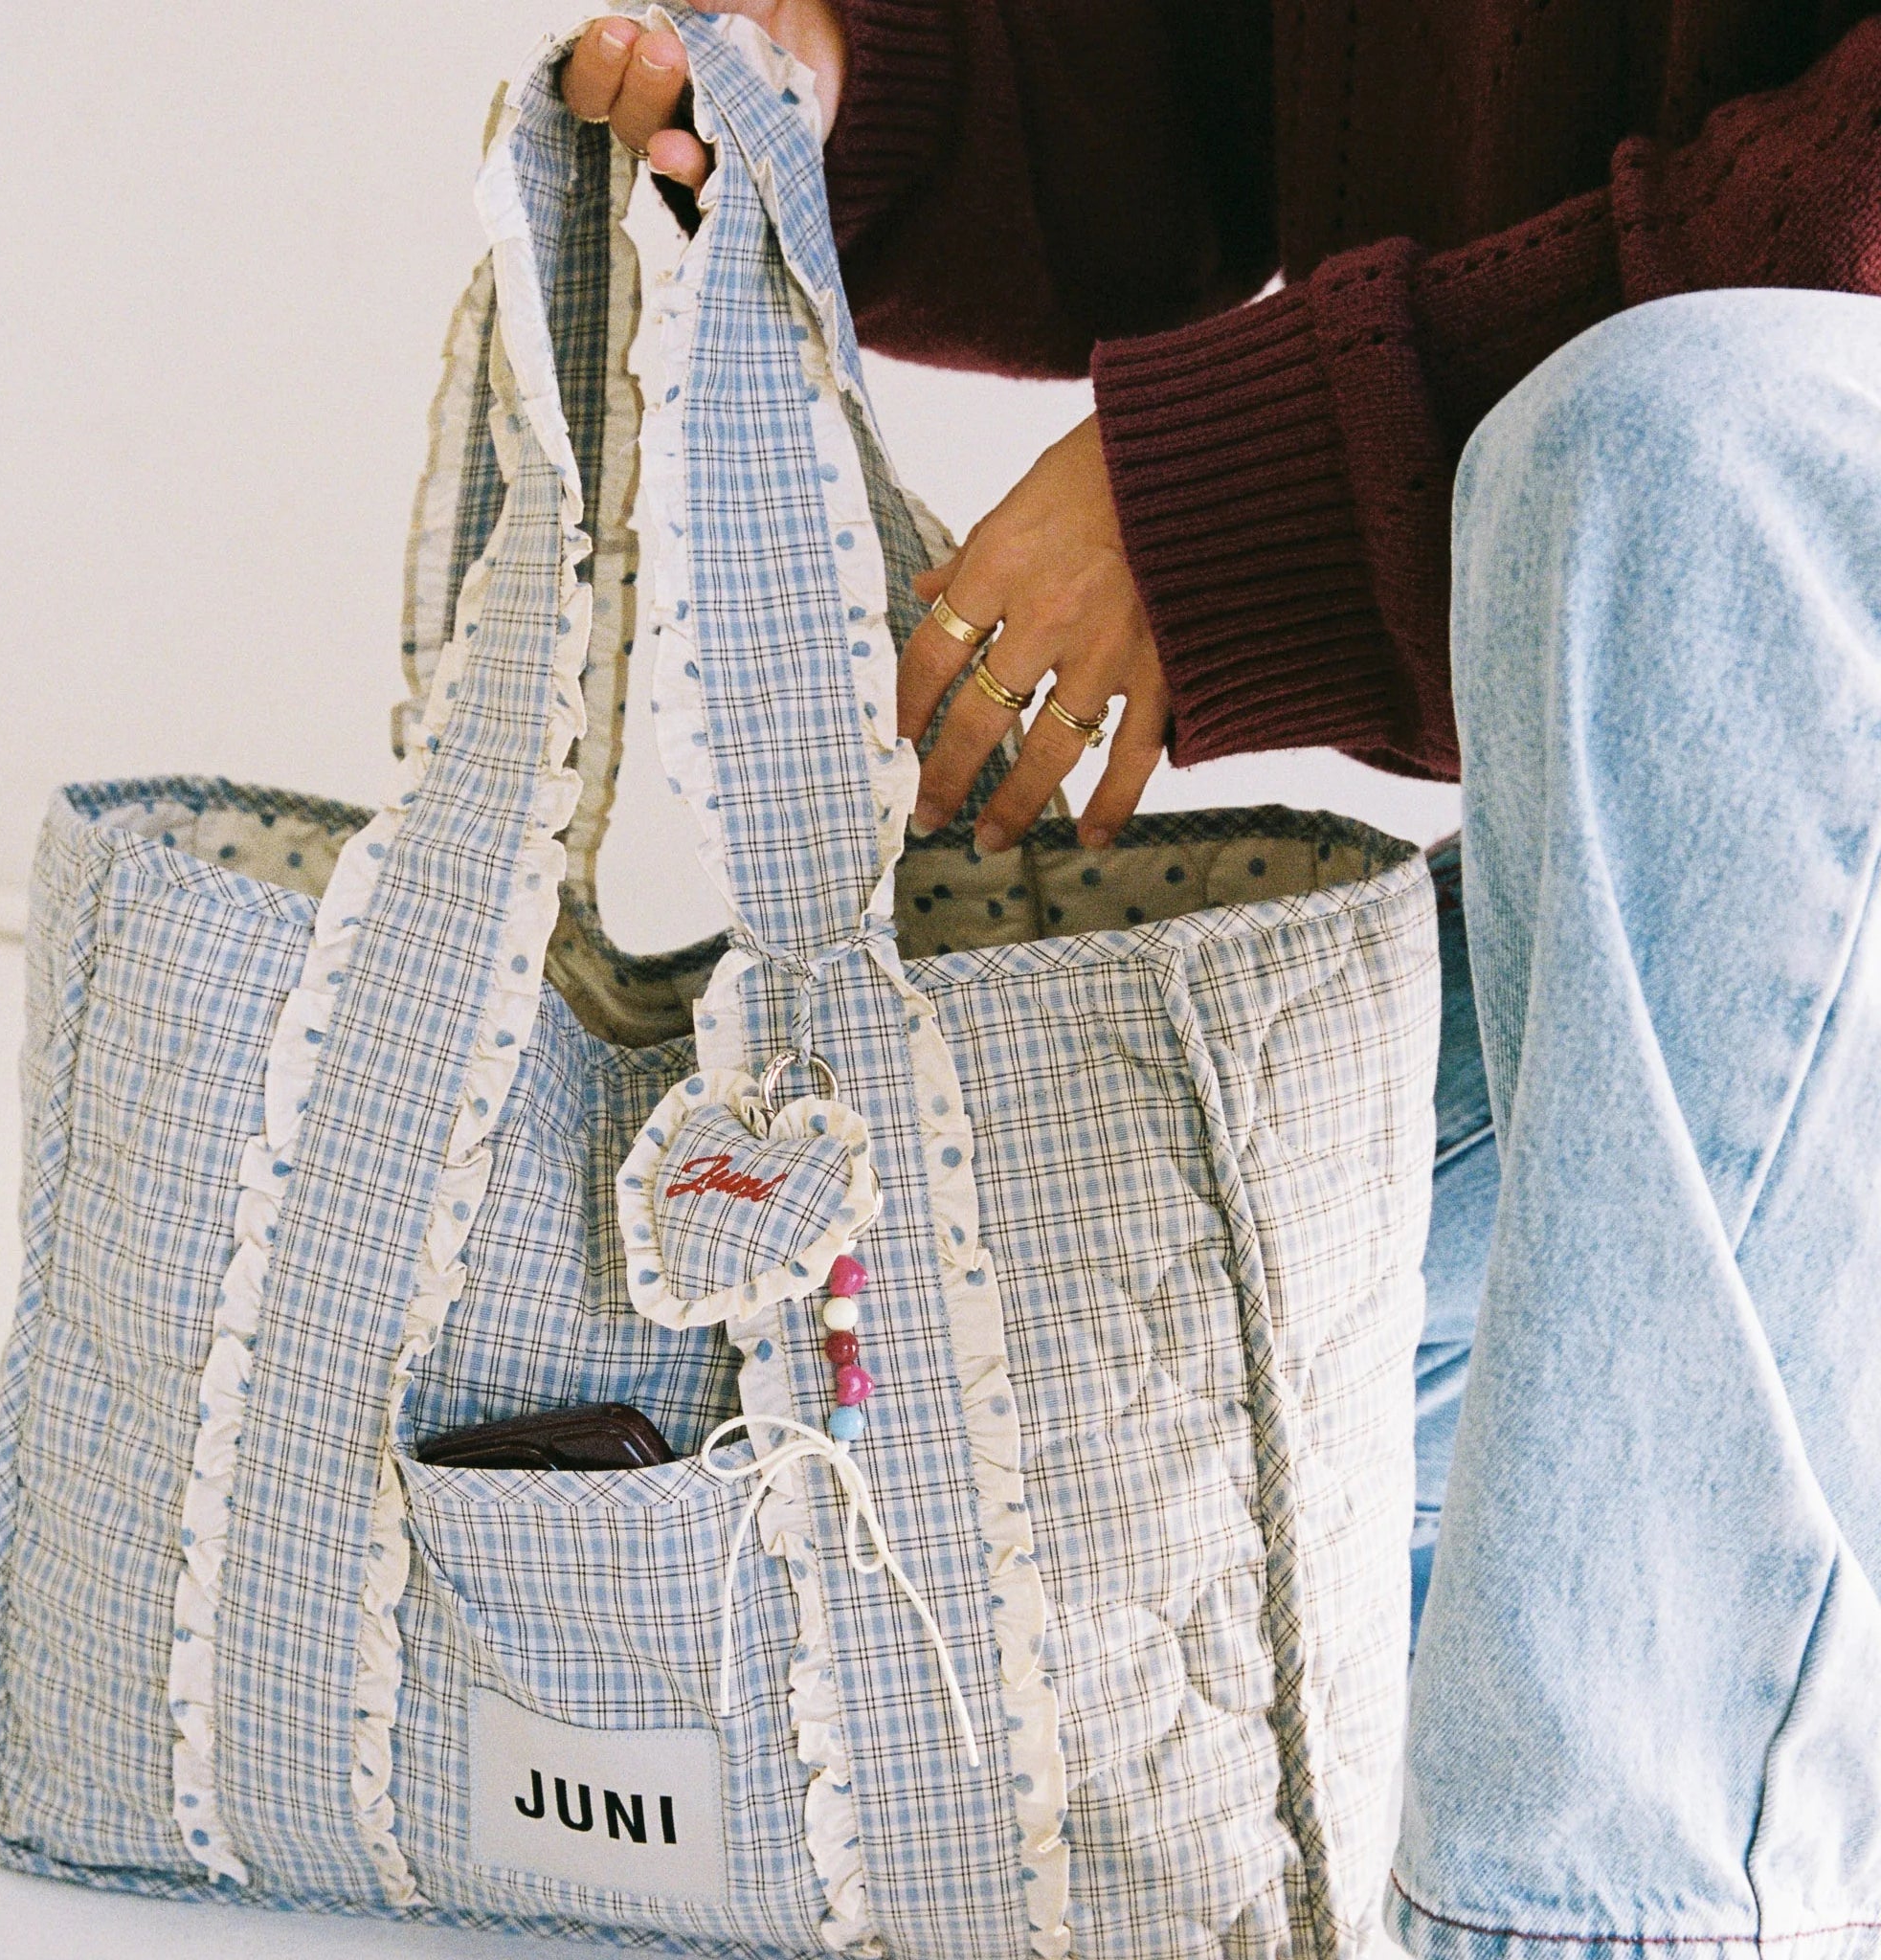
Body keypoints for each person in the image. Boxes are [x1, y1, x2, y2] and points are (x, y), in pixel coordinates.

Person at [567, 7, 1881, 1954]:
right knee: (982, 1346)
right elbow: (1226, 70)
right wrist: (858, 81)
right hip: (1737, 887)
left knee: (1687, 437)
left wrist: (1203, 487)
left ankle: (1608, 1904)